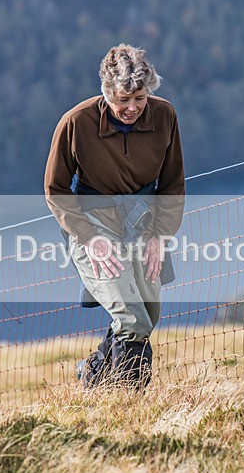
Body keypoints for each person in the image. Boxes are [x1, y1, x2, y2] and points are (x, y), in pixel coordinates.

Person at [44, 44, 185, 389]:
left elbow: (172, 183)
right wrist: (89, 240)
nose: (132, 107)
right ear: (107, 93)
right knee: (131, 317)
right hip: (92, 224)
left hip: (143, 223)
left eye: (139, 97)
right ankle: (125, 399)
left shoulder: (165, 116)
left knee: (147, 317)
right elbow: (56, 188)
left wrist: (160, 236)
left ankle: (92, 374)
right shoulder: (75, 122)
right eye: (123, 99)